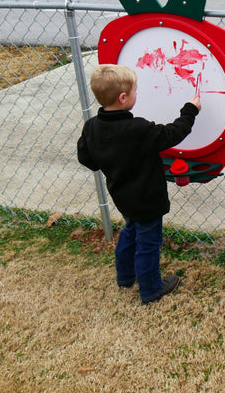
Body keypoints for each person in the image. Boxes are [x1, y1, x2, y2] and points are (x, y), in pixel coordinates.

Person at [77, 64, 200, 305]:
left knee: (130, 231)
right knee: (148, 243)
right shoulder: (138, 128)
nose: (136, 94)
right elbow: (172, 133)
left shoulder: (91, 126)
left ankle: (125, 277)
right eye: (135, 91)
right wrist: (190, 111)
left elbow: (85, 157)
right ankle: (151, 288)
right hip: (148, 199)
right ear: (123, 98)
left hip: (121, 195)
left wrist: (109, 164)